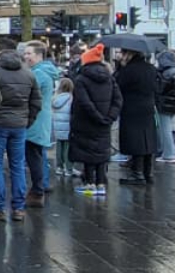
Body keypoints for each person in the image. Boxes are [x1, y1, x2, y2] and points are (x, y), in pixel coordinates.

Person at [0, 42, 40, 222]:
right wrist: (27, 121)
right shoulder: (28, 74)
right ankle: (18, 208)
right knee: (17, 165)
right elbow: (35, 102)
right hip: (19, 125)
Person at [70, 45, 120, 197]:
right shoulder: (110, 79)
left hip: (85, 122)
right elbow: (118, 99)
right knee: (101, 152)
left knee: (87, 153)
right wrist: (109, 117)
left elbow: (84, 102)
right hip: (104, 122)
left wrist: (96, 116)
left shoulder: (81, 79)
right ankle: (100, 183)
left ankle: (89, 183)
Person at [114, 49, 162, 184]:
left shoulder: (128, 70)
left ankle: (137, 173)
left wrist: (119, 68)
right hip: (148, 107)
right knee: (148, 139)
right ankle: (148, 173)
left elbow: (118, 85)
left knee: (135, 141)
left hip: (131, 108)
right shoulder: (151, 69)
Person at [24, 42, 58, 207]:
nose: (26, 57)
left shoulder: (39, 74)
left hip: (35, 121)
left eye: (29, 53)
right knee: (36, 155)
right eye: (25, 53)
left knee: (34, 156)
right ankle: (39, 187)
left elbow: (27, 95)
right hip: (40, 120)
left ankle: (38, 190)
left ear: (39, 55)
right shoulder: (43, 72)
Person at [51, 76, 74, 184]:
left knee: (59, 147)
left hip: (58, 128)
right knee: (68, 148)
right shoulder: (70, 98)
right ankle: (68, 168)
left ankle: (59, 167)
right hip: (68, 127)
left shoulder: (55, 99)